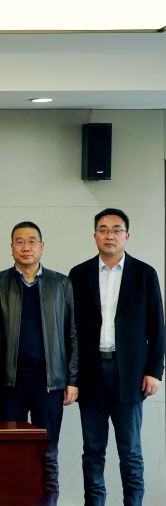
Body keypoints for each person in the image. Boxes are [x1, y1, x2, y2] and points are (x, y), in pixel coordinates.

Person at [69, 208, 165, 506]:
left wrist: (154, 371)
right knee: (93, 451)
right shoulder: (78, 274)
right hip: (90, 373)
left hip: (131, 375)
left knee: (130, 451)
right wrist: (71, 376)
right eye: (103, 229)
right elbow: (69, 329)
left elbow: (157, 327)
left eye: (116, 229)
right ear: (95, 235)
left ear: (126, 236)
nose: (109, 235)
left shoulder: (145, 274)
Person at [0, 221, 78, 506]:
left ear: (42, 246)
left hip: (49, 383)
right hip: (9, 382)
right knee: (9, 451)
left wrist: (72, 380)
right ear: (12, 247)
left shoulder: (61, 284)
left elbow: (72, 333)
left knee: (47, 453)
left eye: (32, 241)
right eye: (19, 241)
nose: (26, 247)